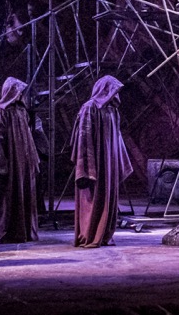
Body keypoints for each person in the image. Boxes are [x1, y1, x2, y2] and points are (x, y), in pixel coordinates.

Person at [72, 75, 133, 248]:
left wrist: (120, 163)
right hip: (96, 163)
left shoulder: (112, 111)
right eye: (113, 90)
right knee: (93, 197)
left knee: (108, 197)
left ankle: (105, 234)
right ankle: (89, 234)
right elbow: (83, 137)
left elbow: (117, 138)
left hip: (109, 163)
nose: (116, 95)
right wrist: (86, 165)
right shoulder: (89, 108)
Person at [0, 77, 42, 243]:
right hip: (9, 164)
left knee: (23, 196)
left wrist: (33, 161)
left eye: (21, 92)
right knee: (5, 198)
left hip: (23, 163)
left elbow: (28, 138)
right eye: (17, 91)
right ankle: (4, 231)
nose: (20, 95)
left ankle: (22, 231)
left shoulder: (22, 112)